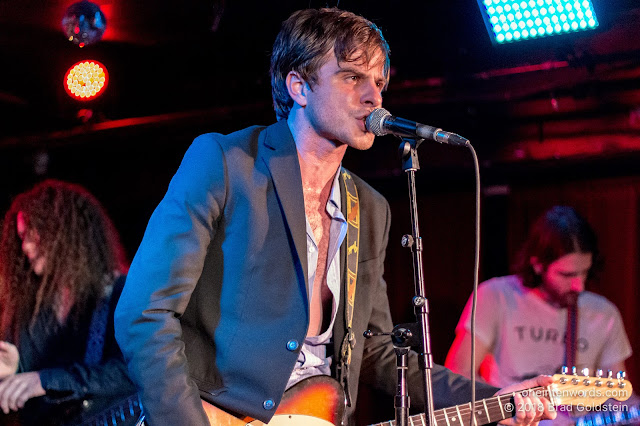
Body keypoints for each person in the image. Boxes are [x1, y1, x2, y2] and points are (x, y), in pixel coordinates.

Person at [114, 8, 556, 426]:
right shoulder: (226, 164)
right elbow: (143, 315)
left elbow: (377, 350)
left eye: (379, 82)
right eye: (352, 77)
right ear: (299, 87)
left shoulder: (370, 207)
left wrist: (494, 399)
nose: (373, 96)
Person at [445, 205, 633, 387]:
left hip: (573, 418)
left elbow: (616, 394)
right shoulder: (495, 296)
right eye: (567, 275)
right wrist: (504, 409)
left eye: (584, 272)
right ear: (537, 265)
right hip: (512, 416)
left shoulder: (604, 313)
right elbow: (459, 374)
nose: (579, 285)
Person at [0, 180, 137, 425]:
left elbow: (135, 371)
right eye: (20, 237)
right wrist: (12, 371)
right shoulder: (29, 312)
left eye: (33, 234)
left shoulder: (120, 293)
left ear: (64, 233)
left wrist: (46, 380)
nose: (25, 246)